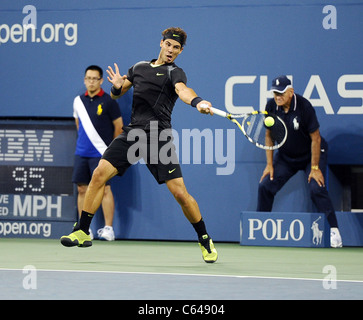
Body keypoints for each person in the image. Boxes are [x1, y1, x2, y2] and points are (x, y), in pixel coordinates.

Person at [61, 27, 218, 263]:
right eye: (168, 45)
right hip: (134, 133)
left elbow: (183, 91)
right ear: (161, 43)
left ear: (180, 51)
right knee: (99, 174)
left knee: (180, 194)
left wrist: (197, 102)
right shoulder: (139, 68)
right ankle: (83, 230)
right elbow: (117, 93)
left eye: (176, 48)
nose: (171, 51)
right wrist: (115, 86)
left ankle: (204, 238)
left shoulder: (175, 72)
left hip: (158, 136)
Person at [257, 75, 343, 248]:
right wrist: (269, 165)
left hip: (310, 154)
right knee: (265, 185)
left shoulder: (304, 106)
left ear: (291, 92)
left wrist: (315, 167)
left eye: (281, 93)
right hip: (286, 157)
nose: (277, 96)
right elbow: (268, 136)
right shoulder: (271, 106)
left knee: (316, 187)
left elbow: (316, 139)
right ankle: (260, 229)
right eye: (275, 93)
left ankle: (334, 232)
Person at [72, 65, 123, 241]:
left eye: (95, 79)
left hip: (101, 153)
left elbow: (119, 127)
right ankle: (84, 229)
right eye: (88, 78)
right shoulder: (78, 101)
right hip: (82, 153)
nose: (91, 82)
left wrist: (110, 150)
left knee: (105, 189)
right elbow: (79, 126)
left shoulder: (109, 102)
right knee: (81, 189)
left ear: (101, 80)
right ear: (84, 80)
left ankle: (108, 228)